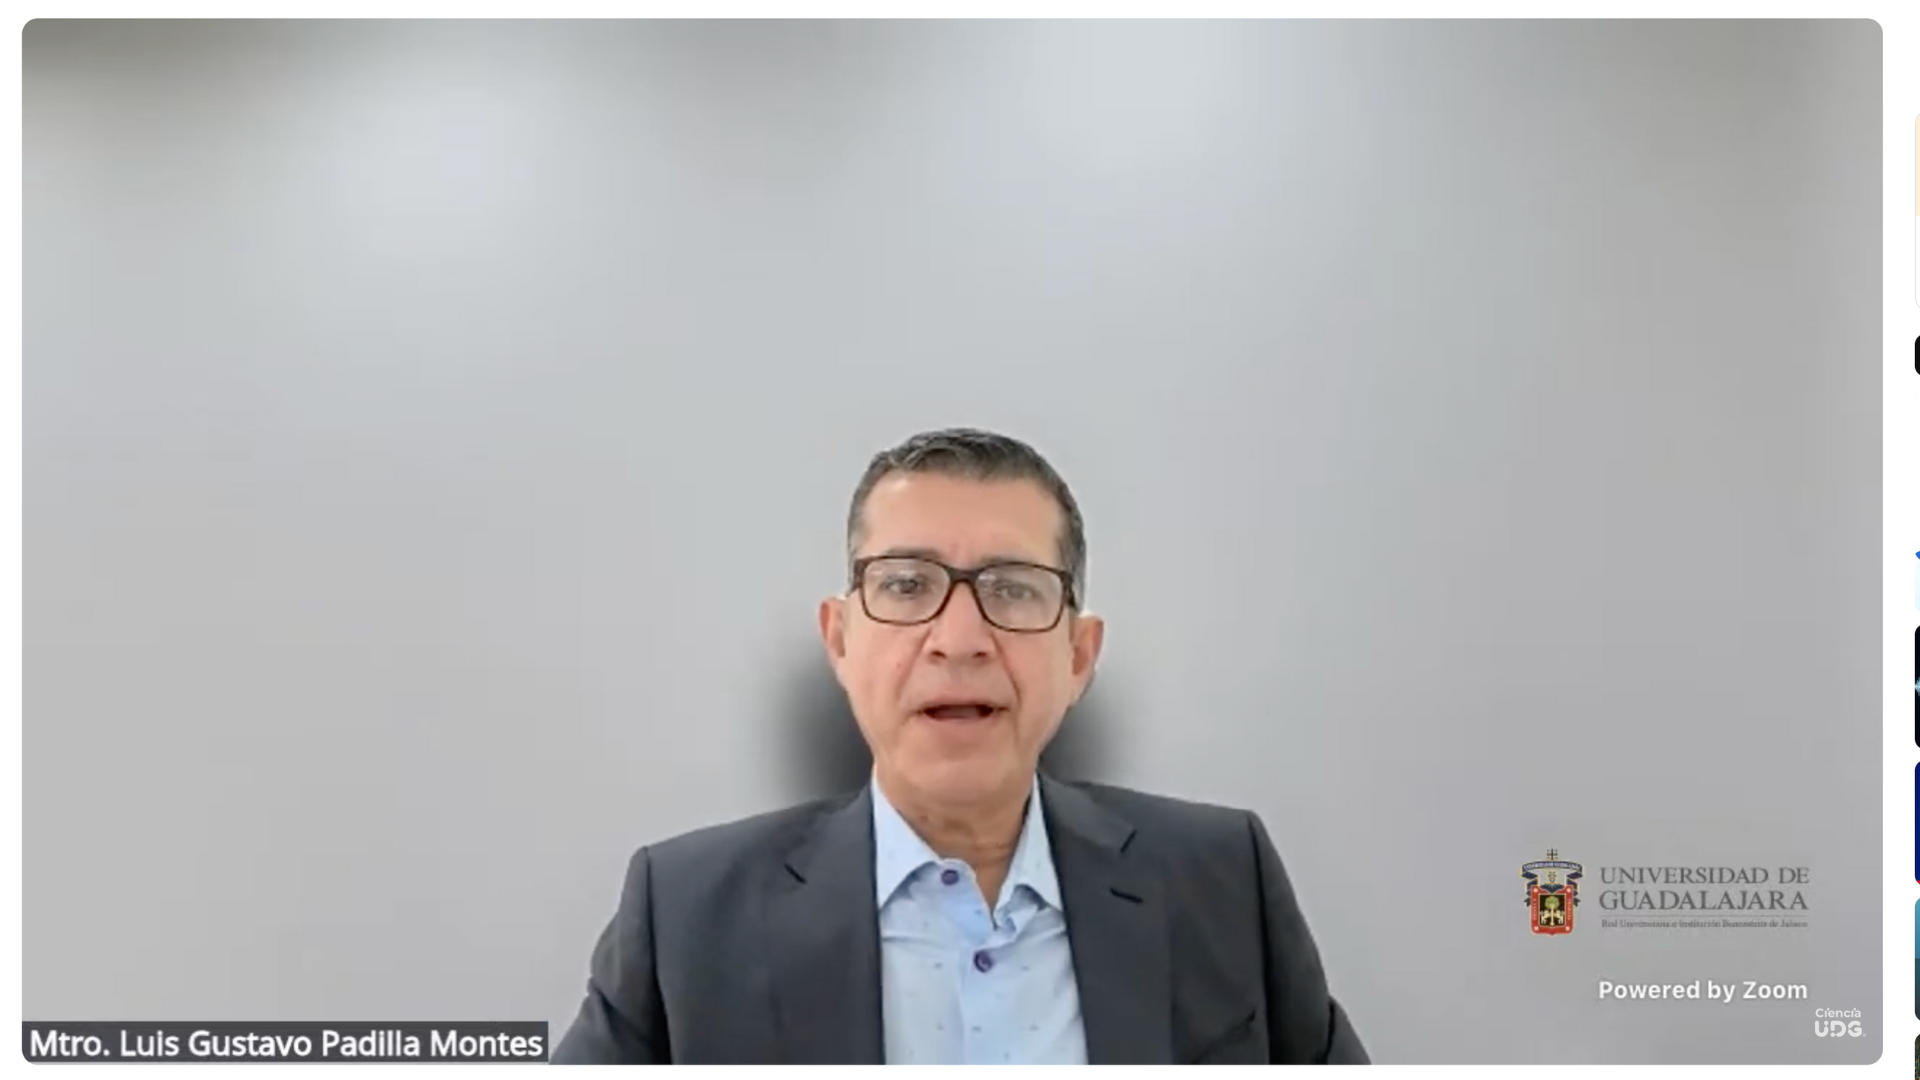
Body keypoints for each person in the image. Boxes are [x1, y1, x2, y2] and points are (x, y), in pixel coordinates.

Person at [551, 427, 1368, 1065]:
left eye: (1012, 589)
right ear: (840, 641)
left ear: (1079, 656)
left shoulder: (1220, 882)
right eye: (907, 585)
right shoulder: (689, 916)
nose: (961, 638)